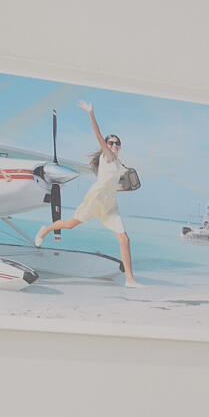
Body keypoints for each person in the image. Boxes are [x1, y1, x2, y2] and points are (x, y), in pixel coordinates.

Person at [37, 100, 139, 286]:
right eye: (111, 142)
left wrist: (125, 187)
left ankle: (130, 279)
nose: (114, 145)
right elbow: (98, 135)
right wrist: (91, 113)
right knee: (69, 225)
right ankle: (46, 229)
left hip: (109, 205)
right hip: (95, 200)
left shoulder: (118, 165)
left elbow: (113, 186)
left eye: (117, 143)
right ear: (106, 145)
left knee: (124, 239)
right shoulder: (106, 155)